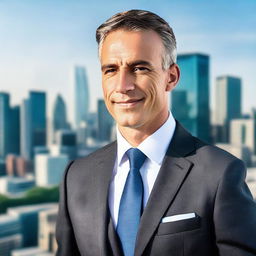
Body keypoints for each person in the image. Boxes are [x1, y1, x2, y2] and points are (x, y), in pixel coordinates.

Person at [56, 9, 256, 256]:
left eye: (139, 68)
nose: (122, 86)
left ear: (171, 77)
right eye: (110, 70)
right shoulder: (75, 177)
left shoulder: (220, 173)